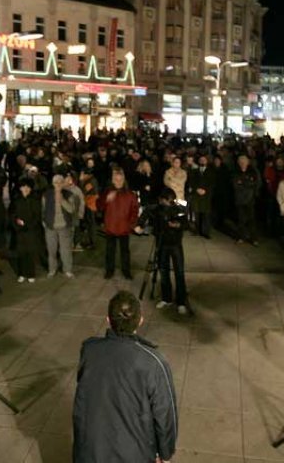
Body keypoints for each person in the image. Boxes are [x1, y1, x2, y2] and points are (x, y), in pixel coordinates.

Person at [73, 290, 177, 463]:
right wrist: (165, 454)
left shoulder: (89, 350)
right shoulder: (154, 362)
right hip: (133, 454)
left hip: (90, 451)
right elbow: (165, 414)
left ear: (108, 320)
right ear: (140, 320)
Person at [137, 188, 189, 314]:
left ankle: (181, 302)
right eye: (166, 201)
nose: (167, 203)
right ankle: (166, 298)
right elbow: (146, 213)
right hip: (162, 243)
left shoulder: (179, 208)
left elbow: (185, 224)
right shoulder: (157, 208)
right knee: (163, 272)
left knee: (179, 273)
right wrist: (140, 225)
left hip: (175, 244)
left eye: (169, 201)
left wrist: (177, 225)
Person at [98, 168, 139, 280]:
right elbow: (99, 207)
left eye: (120, 179)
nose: (118, 182)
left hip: (124, 227)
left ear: (124, 180)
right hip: (111, 226)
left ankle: (126, 271)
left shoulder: (130, 194)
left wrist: (132, 224)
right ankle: (109, 270)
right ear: (112, 180)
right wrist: (106, 199)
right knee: (110, 251)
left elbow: (134, 210)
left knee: (125, 251)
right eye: (116, 179)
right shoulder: (107, 192)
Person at [42, 174, 76, 279]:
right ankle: (52, 270)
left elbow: (71, 210)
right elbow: (43, 210)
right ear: (53, 184)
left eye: (60, 182)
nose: (58, 185)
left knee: (65, 250)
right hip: (51, 227)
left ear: (63, 183)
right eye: (56, 182)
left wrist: (62, 200)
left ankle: (67, 270)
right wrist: (44, 223)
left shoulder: (68, 194)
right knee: (51, 250)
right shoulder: (46, 195)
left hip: (64, 226)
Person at [10, 178, 42, 283]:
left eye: (28, 187)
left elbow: (37, 216)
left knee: (30, 252)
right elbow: (12, 214)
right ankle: (22, 273)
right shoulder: (16, 200)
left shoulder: (35, 200)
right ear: (20, 188)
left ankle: (30, 274)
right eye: (24, 186)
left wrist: (28, 225)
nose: (26, 189)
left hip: (31, 230)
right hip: (19, 231)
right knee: (21, 253)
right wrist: (16, 224)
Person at [233, 154, 260, 245]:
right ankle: (241, 236)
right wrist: (247, 183)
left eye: (244, 161)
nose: (242, 163)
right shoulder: (235, 171)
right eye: (240, 161)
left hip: (250, 198)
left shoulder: (253, 171)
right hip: (239, 199)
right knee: (241, 219)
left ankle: (254, 238)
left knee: (251, 219)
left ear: (248, 162)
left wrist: (243, 183)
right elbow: (235, 184)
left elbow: (256, 183)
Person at [188, 155, 215, 238]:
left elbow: (212, 183)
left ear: (207, 161)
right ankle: (197, 230)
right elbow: (191, 181)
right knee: (196, 213)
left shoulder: (211, 171)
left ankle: (206, 232)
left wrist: (205, 190)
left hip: (206, 195)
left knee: (206, 214)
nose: (202, 161)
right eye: (201, 160)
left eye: (204, 160)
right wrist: (196, 189)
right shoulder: (194, 171)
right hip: (196, 194)